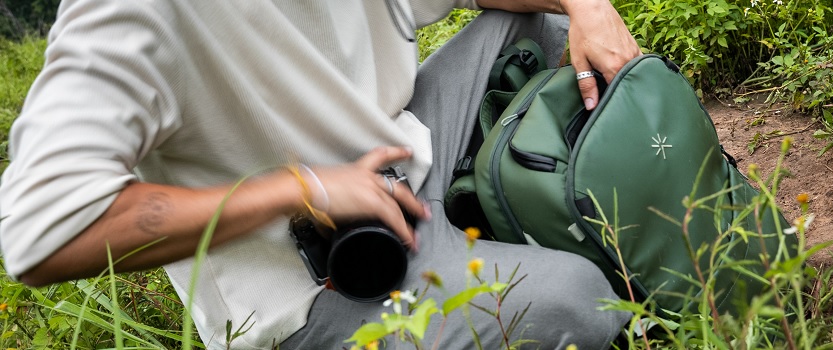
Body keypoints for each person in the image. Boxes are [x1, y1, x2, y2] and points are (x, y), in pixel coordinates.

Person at [0, 0, 642, 348]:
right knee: (584, 298)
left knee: (536, 25)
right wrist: (298, 189)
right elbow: (41, 231)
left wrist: (584, 4)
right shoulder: (128, 15)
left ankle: (489, 228)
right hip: (322, 275)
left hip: (400, 155)